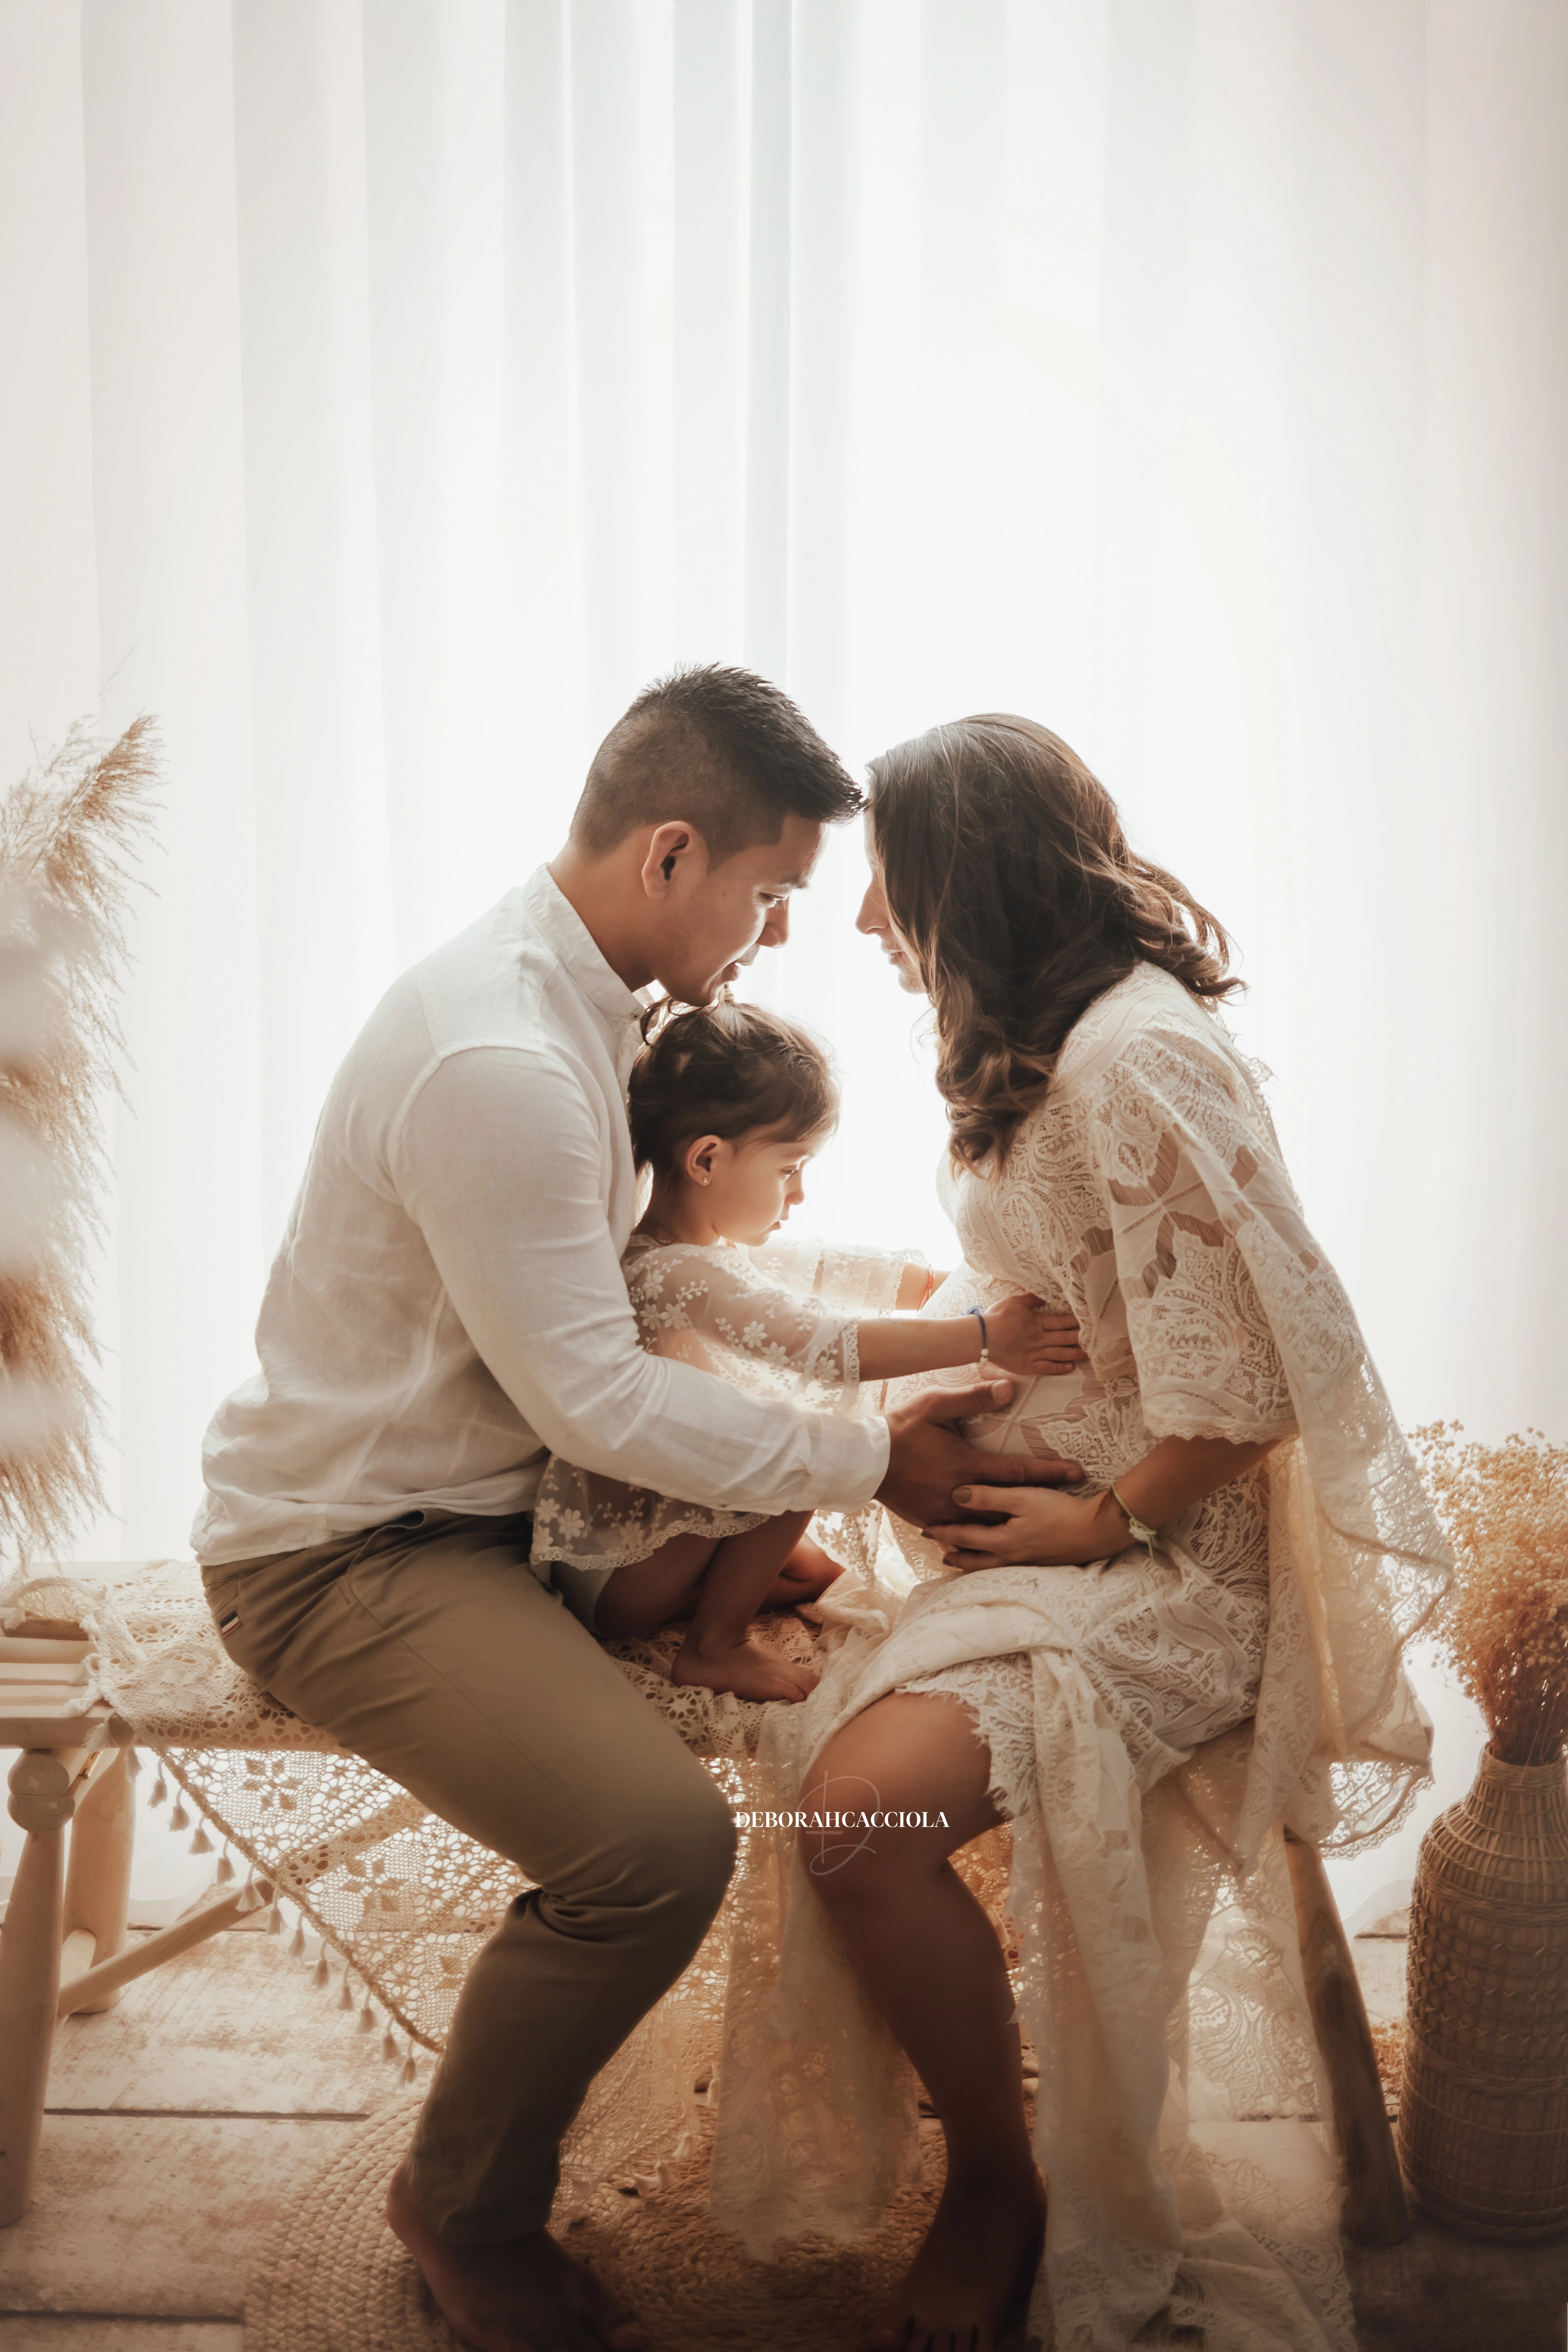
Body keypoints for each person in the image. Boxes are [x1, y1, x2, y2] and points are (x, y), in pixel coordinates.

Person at [190, 667, 1083, 2352]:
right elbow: (595, 1398)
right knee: (652, 1849)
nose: (773, 935)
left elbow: (681, 1281)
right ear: (672, 853)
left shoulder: (584, 1000)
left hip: (482, 1515)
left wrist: (908, 1360)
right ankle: (457, 2208)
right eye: (769, 894)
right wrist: (876, 1451)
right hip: (349, 1550)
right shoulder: (502, 1060)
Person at [707, 715, 1450, 2352]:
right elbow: (1086, 1294)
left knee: (854, 1821)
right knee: (799, 1705)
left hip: (1170, 1570)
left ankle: (1004, 2178)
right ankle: (983, 2150)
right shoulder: (1055, 1037)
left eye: (881, 878)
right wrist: (927, 1383)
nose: (855, 923)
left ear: (960, 874)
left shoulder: (1137, 1057)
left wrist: (1092, 1521)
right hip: (1051, 1522)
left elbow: (1252, 1379)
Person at [530, 998, 1087, 1702]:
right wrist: (982, 1334)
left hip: (625, 1564)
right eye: (789, 1168)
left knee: (813, 1573)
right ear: (706, 1159)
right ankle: (715, 1645)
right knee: (810, 1430)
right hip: (625, 1571)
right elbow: (829, 1349)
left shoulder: (683, 1249)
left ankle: (720, 1606)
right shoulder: (674, 1272)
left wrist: (945, 1283)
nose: (799, 1192)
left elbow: (821, 1266)